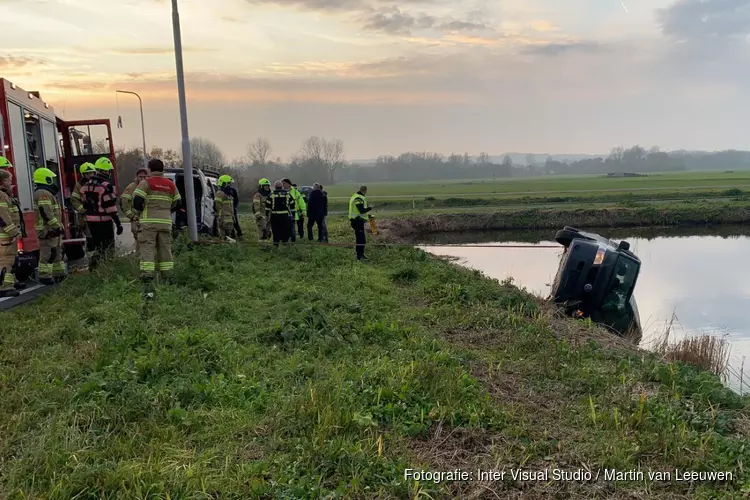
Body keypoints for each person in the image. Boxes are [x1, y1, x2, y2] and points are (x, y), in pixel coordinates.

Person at [133, 158, 181, 299]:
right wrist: (167, 210)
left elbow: (137, 201)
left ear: (149, 169)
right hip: (165, 222)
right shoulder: (170, 184)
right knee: (165, 249)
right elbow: (178, 202)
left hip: (149, 223)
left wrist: (142, 210)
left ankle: (148, 277)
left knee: (148, 248)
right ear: (162, 169)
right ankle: (167, 276)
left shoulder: (145, 183)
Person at [80, 156, 123, 269]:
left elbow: (85, 204)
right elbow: (110, 207)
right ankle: (107, 268)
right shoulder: (105, 186)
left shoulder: (86, 185)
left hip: (91, 221)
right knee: (108, 247)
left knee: (97, 245)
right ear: (105, 171)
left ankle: (94, 266)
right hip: (104, 221)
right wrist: (118, 223)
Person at [33, 167, 66, 284]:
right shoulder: (43, 193)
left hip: (52, 229)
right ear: (45, 179)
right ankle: (44, 276)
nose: (52, 180)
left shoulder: (47, 193)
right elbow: (47, 213)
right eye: (50, 178)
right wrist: (57, 226)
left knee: (56, 252)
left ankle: (59, 274)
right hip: (47, 230)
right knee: (47, 253)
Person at [0, 169, 22, 296]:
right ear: (3, 181)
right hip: (4, 235)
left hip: (6, 234)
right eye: (9, 179)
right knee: (5, 261)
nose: (11, 182)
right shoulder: (1, 195)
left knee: (9, 260)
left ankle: (9, 284)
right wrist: (13, 232)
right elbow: (3, 216)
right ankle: (4, 287)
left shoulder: (6, 194)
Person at [120, 168, 148, 255]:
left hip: (146, 218)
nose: (142, 179)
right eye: (140, 177)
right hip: (136, 219)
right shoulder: (132, 187)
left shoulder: (147, 186)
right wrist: (131, 216)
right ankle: (139, 259)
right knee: (140, 240)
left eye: (144, 177)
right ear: (136, 177)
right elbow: (124, 201)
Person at [265, 180, 294, 247]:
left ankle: (276, 245)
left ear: (275, 187)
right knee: (284, 230)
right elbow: (292, 204)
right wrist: (293, 214)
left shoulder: (271, 195)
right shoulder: (287, 194)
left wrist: (267, 215)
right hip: (285, 216)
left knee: (275, 231)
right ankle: (285, 243)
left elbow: (267, 206)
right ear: (282, 186)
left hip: (275, 216)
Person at [349, 185, 374, 261]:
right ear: (365, 190)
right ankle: (359, 256)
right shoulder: (358, 198)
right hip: (357, 221)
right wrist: (370, 208)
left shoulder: (356, 196)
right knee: (361, 239)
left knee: (361, 238)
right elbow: (361, 210)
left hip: (357, 220)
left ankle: (361, 254)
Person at [216, 175, 237, 240]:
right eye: (228, 184)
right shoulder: (220, 193)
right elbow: (217, 206)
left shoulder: (228, 194)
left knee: (230, 235)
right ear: (223, 184)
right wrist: (219, 217)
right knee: (224, 236)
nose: (230, 186)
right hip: (224, 218)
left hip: (230, 217)